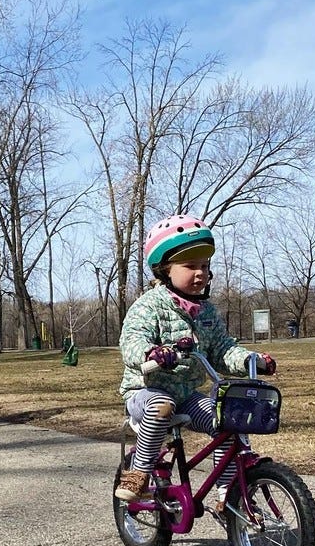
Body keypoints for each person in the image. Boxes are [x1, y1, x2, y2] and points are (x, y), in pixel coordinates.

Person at [116, 214, 276, 504]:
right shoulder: (148, 306)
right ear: (165, 270)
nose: (200, 273)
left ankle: (228, 494)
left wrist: (252, 359)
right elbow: (131, 341)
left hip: (187, 394)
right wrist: (150, 352)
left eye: (204, 266)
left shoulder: (206, 311)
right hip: (146, 391)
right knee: (161, 405)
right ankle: (139, 472)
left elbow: (223, 349)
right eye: (190, 266)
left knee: (228, 419)